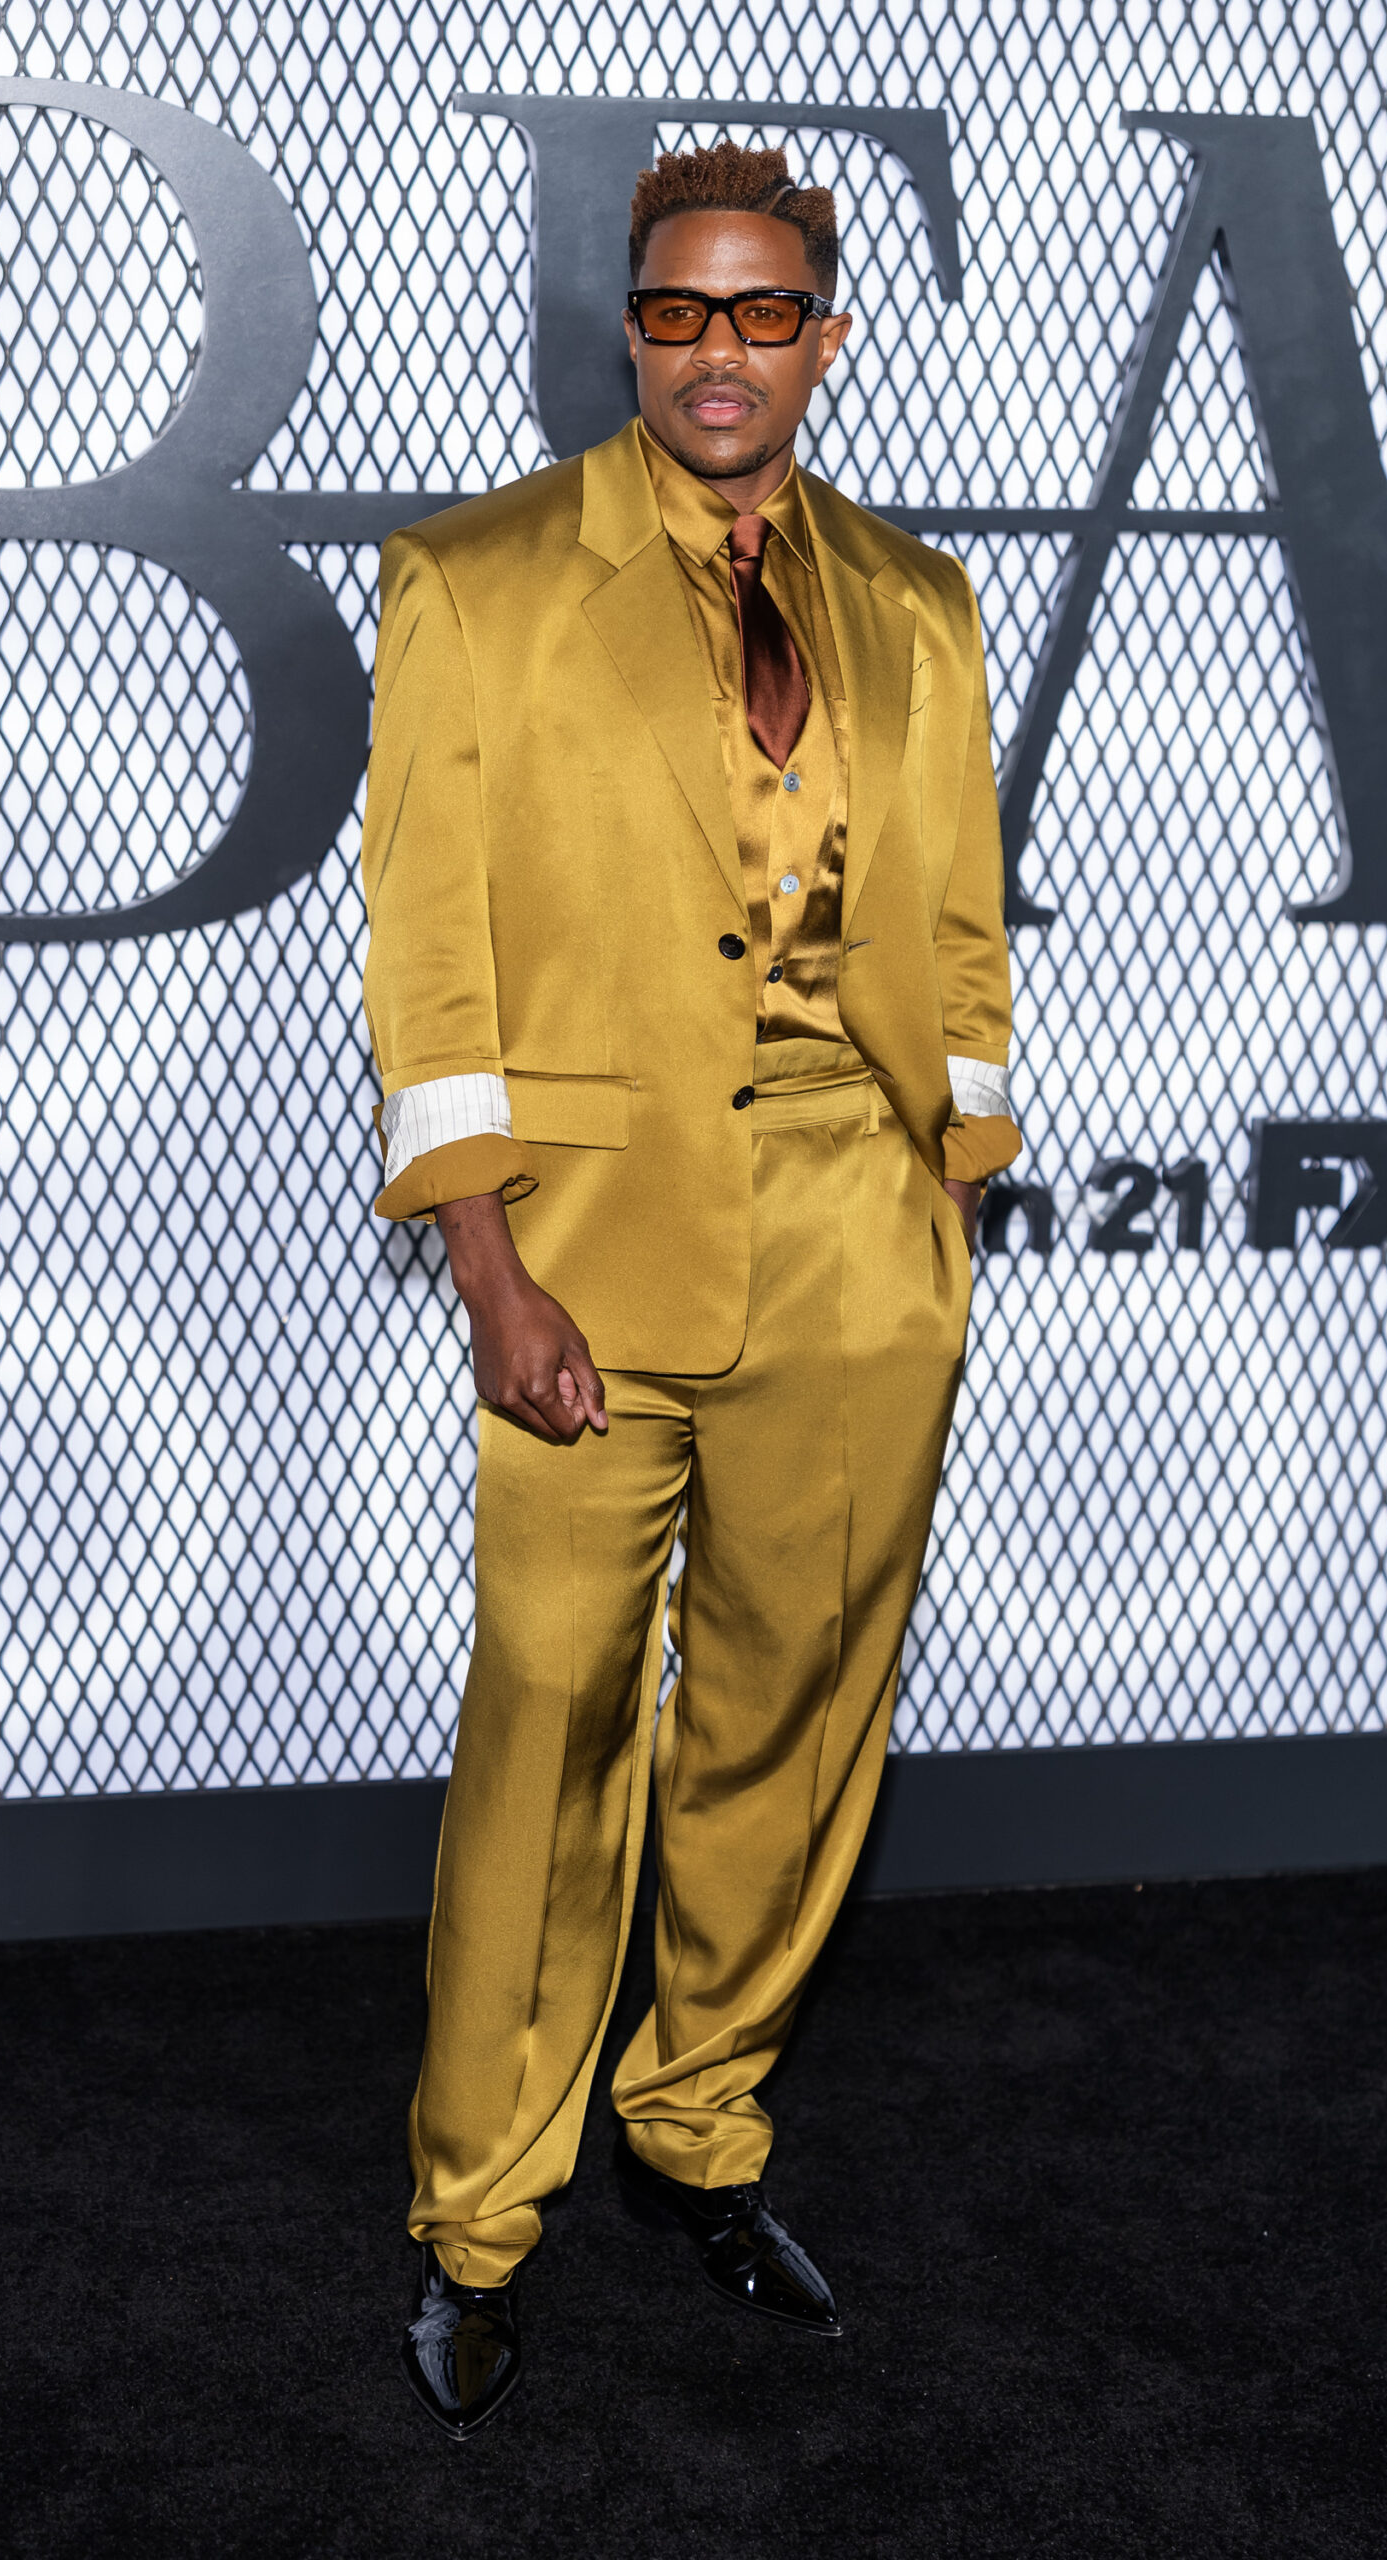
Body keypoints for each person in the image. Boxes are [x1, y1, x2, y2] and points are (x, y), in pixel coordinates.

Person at [360, 139, 1019, 2439]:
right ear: (627, 326)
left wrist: (950, 1182)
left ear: (821, 334)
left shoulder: (915, 599)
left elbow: (954, 927)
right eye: (673, 310)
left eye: (759, 312)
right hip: (580, 1250)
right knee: (548, 1727)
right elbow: (429, 956)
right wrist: (485, 1260)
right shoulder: (474, 579)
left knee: (787, 1722)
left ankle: (700, 2123)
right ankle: (475, 2216)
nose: (713, 351)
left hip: (856, 1237)